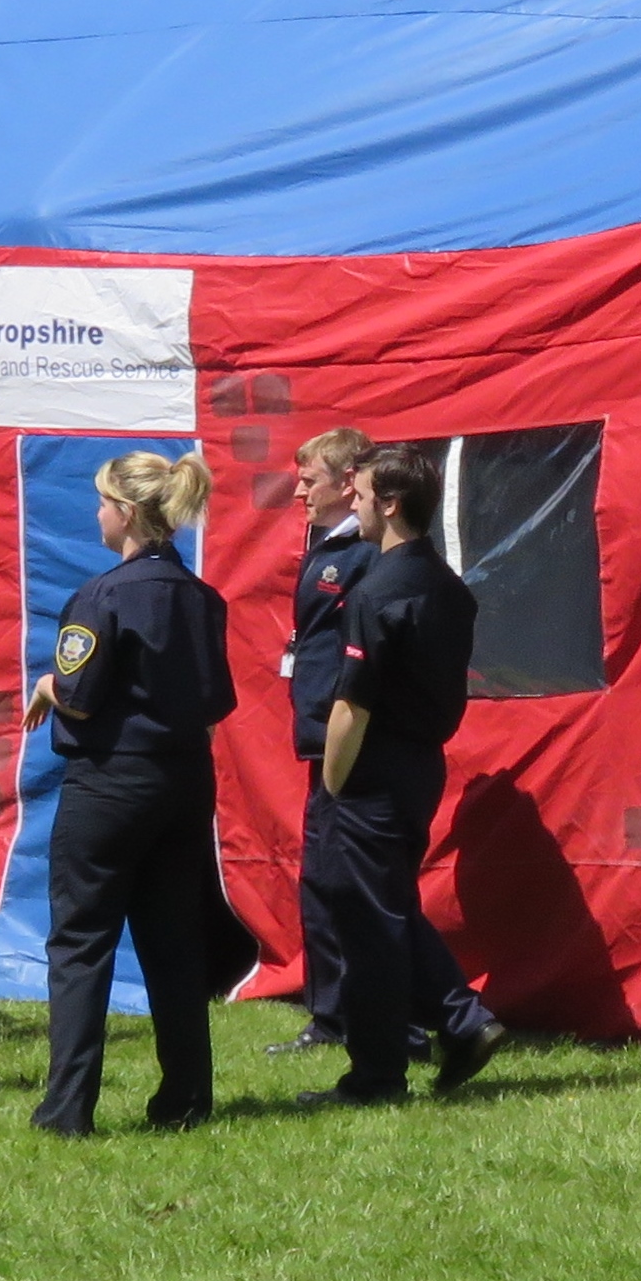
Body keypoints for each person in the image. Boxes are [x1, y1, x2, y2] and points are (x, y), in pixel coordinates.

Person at [25, 450, 232, 1136]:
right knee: (174, 943)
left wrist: (48, 685)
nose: (96, 515)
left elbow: (80, 695)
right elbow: (215, 702)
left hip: (110, 784)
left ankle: (67, 1109)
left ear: (126, 512)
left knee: (81, 943)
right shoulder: (202, 598)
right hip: (184, 781)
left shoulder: (101, 596)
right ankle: (186, 1099)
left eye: (102, 502)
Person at [302, 443, 508, 1109]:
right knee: (384, 906)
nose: (353, 506)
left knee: (366, 921)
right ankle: (457, 1021)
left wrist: (333, 783)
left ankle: (378, 1074)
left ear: (389, 504)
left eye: (361, 496)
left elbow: (351, 706)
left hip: (372, 769)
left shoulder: (376, 590)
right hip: (420, 764)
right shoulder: (446, 586)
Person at [270, 426, 375, 1059]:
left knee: (344, 879)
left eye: (310, 480)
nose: (299, 492)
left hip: (346, 736)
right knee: (322, 878)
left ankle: (374, 1014)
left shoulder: (364, 553)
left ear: (346, 482)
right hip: (319, 733)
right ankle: (333, 1011)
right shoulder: (327, 545)